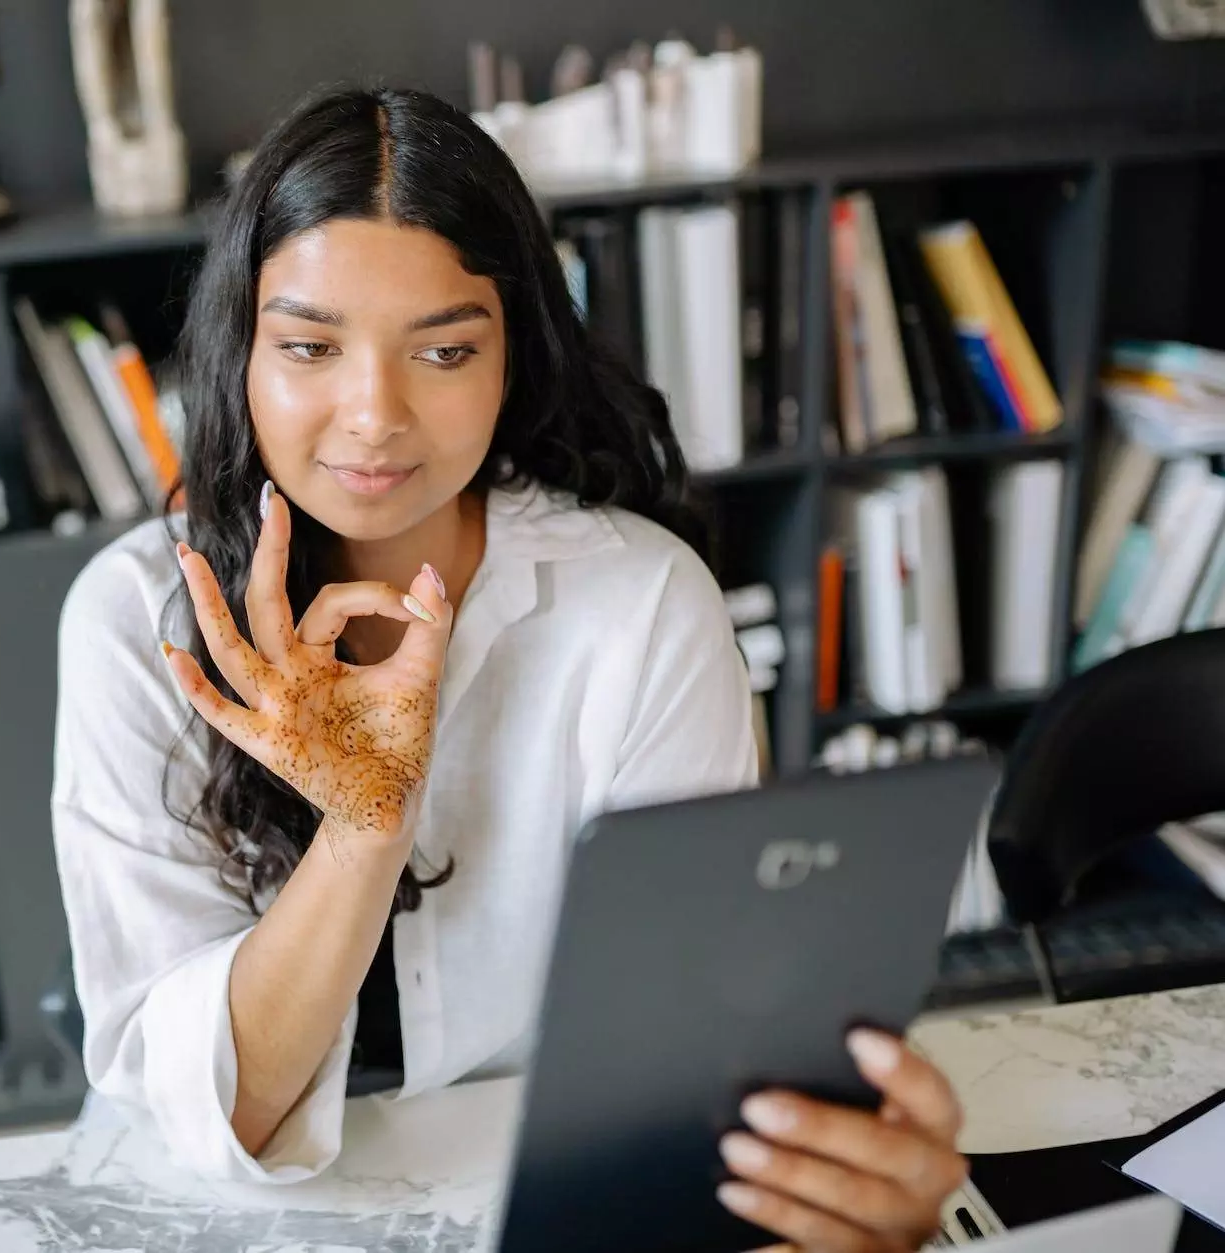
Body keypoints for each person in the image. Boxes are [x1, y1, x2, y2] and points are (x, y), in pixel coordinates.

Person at [51, 86, 968, 1250]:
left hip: (541, 1188)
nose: (372, 414)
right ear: (238, 351)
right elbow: (209, 1104)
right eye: (308, 347)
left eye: (441, 349)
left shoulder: (639, 605)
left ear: (510, 354)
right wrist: (360, 831)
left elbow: (695, 1033)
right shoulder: (135, 618)